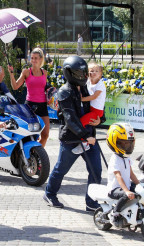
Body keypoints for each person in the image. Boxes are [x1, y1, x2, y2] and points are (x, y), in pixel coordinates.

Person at [43, 56, 102, 211]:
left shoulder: (83, 88)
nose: (84, 76)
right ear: (70, 73)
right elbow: (70, 120)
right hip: (72, 139)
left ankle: (92, 202)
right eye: (80, 73)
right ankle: (50, 193)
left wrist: (100, 120)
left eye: (84, 73)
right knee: (61, 169)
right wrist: (85, 136)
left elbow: (93, 108)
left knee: (96, 171)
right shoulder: (64, 93)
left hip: (88, 138)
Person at [8, 47, 50, 147]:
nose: (33, 60)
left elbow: (45, 89)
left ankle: (38, 155)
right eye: (32, 58)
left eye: (36, 58)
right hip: (30, 106)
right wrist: (11, 74)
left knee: (45, 135)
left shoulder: (45, 73)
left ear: (40, 59)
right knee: (29, 134)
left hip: (43, 106)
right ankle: (30, 154)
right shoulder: (26, 72)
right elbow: (15, 86)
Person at [106, 122, 140, 226]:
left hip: (126, 187)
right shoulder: (115, 159)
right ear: (114, 142)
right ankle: (114, 213)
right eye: (124, 143)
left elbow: (131, 174)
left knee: (139, 192)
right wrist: (126, 190)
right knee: (126, 195)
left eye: (129, 143)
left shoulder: (126, 158)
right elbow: (118, 176)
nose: (127, 146)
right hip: (114, 189)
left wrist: (140, 185)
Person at [72, 62, 106, 154]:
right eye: (91, 71)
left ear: (100, 74)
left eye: (96, 71)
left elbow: (94, 96)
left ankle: (84, 144)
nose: (93, 73)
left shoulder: (100, 84)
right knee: (84, 123)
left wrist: (81, 99)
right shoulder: (88, 82)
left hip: (97, 112)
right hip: (92, 109)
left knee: (82, 122)